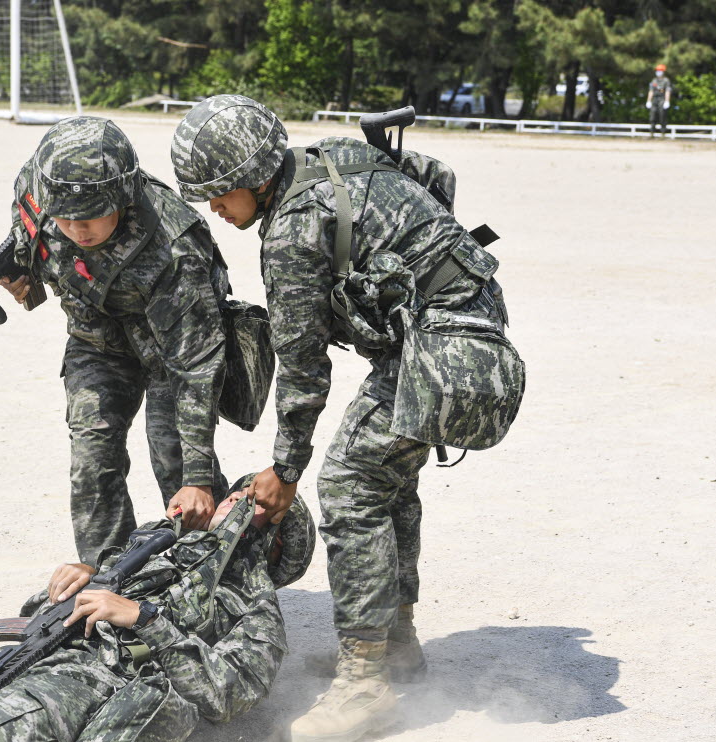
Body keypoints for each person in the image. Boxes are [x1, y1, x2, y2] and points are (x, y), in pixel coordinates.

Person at [171, 95, 524, 742]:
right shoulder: (330, 160)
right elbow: (433, 177)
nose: (214, 210)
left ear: (251, 178)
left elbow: (304, 369)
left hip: (447, 346)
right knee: (387, 480)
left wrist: (284, 470)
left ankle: (367, 684)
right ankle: (396, 647)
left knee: (349, 484)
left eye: (218, 194)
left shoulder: (291, 233)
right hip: (466, 317)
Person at [0, 481, 316, 742]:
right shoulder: (154, 548)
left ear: (274, 544)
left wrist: (145, 621)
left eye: (254, 505)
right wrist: (73, 583)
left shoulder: (253, 604)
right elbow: (36, 614)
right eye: (239, 493)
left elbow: (230, 692)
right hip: (17, 657)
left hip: (90, 679)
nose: (235, 502)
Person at [0, 116, 231, 564]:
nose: (75, 229)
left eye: (89, 218)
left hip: (171, 353)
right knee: (91, 457)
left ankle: (216, 576)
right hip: (97, 340)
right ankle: (108, 575)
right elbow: (28, 241)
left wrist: (199, 476)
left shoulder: (174, 244)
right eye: (63, 217)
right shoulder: (37, 188)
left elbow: (197, 364)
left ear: (122, 198)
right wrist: (24, 276)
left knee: (175, 462)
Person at [646, 63, 672, 135]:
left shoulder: (666, 81)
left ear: (663, 72)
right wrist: (648, 101)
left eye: (660, 71)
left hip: (662, 99)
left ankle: (663, 133)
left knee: (662, 115)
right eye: (657, 71)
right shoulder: (654, 80)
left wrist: (667, 101)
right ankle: (651, 133)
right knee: (652, 115)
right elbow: (651, 91)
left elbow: (667, 91)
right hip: (654, 99)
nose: (658, 72)